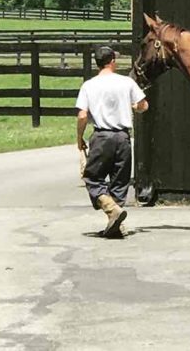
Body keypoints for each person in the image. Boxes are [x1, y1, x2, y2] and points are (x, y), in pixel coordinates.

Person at [76, 46, 149, 238]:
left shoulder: (88, 85)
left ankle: (111, 211)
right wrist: (134, 106)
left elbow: (82, 115)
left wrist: (79, 139)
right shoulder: (127, 82)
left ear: (97, 63)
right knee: (120, 181)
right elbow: (143, 105)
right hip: (123, 137)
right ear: (112, 62)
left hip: (101, 136)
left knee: (92, 177)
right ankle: (115, 219)